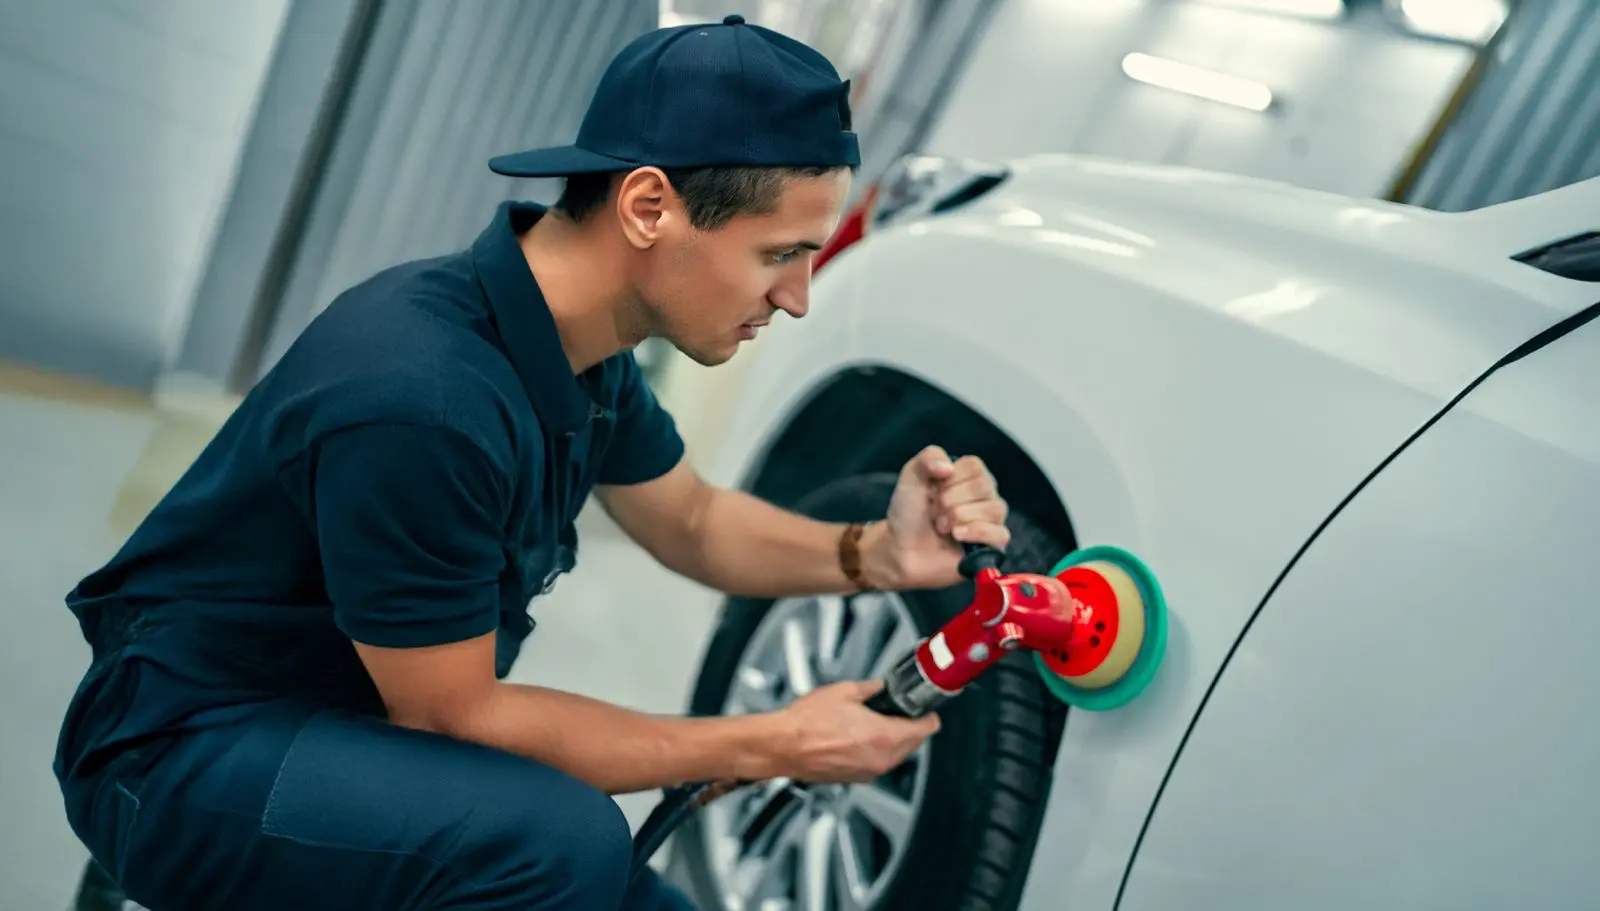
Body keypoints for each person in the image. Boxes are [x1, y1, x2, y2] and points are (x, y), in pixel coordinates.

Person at [52, 13, 1012, 911]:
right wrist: (771, 741)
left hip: (356, 727)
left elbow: (690, 519)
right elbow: (455, 718)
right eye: (782, 254)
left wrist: (875, 554)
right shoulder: (425, 398)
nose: (799, 297)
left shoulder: (581, 352)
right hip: (189, 753)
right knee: (559, 843)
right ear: (648, 206)